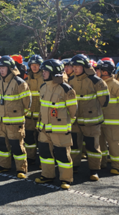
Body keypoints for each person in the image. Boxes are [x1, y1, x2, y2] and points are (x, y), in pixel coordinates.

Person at [34, 59, 77, 190]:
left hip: (60, 130)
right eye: (43, 71)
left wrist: (65, 126)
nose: (43, 73)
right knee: (45, 153)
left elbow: (73, 111)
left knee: (62, 155)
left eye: (46, 71)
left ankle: (66, 179)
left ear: (53, 72)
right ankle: (47, 175)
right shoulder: (43, 87)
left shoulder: (66, 89)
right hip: (44, 129)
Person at [68, 54, 109, 181]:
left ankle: (94, 170)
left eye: (77, 66)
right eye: (73, 66)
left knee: (92, 147)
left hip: (92, 121)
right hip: (75, 121)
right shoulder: (70, 81)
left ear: (85, 66)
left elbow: (105, 101)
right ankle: (74, 166)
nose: (74, 68)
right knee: (74, 146)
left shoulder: (96, 81)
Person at [0, 56, 30, 178]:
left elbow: (27, 103)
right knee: (2, 144)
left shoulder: (20, 82)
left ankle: (21, 169)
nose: (1, 70)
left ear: (10, 68)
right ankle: (3, 166)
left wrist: (20, 115)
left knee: (17, 146)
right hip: (1, 121)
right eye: (0, 68)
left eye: (4, 68)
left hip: (15, 123)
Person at [96, 59, 119, 175]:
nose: (97, 71)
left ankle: (118, 166)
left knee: (115, 144)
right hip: (100, 121)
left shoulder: (117, 86)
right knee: (100, 144)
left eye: (99, 70)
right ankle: (102, 163)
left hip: (113, 122)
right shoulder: (98, 84)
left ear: (105, 72)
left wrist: (117, 113)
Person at [25, 55, 44, 166]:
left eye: (36, 65)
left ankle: (43, 160)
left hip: (41, 115)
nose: (34, 67)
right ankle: (30, 158)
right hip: (29, 115)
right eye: (32, 65)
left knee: (42, 140)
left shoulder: (45, 78)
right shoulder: (27, 78)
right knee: (29, 138)